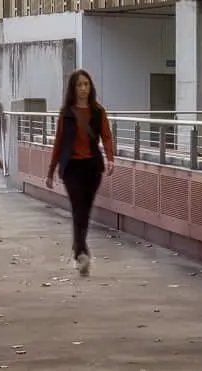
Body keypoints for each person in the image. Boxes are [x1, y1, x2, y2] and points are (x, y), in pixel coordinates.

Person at [46, 68, 115, 275]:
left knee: (85, 209)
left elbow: (107, 135)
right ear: (73, 88)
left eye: (86, 84)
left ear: (90, 87)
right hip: (71, 168)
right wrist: (50, 171)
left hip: (92, 167)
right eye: (79, 85)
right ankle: (81, 253)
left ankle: (79, 249)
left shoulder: (98, 111)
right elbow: (58, 142)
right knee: (78, 208)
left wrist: (111, 158)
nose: (83, 88)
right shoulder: (66, 113)